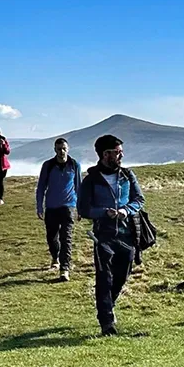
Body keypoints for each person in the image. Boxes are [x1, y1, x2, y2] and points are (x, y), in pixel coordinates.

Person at [78, 134, 144, 336]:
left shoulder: (127, 175)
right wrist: (104, 212)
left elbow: (139, 199)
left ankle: (108, 305)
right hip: (102, 236)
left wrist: (125, 210)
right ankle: (106, 321)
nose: (121, 155)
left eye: (121, 152)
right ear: (105, 154)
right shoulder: (91, 180)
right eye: (117, 152)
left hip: (126, 234)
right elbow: (83, 208)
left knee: (122, 275)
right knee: (104, 277)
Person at [36, 137, 82, 281]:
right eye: (59, 149)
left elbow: (79, 186)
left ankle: (64, 269)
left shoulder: (75, 165)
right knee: (52, 237)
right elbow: (41, 187)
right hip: (51, 206)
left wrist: (80, 207)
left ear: (68, 149)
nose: (61, 151)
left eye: (64, 148)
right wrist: (39, 206)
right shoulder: (48, 165)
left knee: (66, 237)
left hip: (69, 206)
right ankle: (55, 257)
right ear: (55, 150)